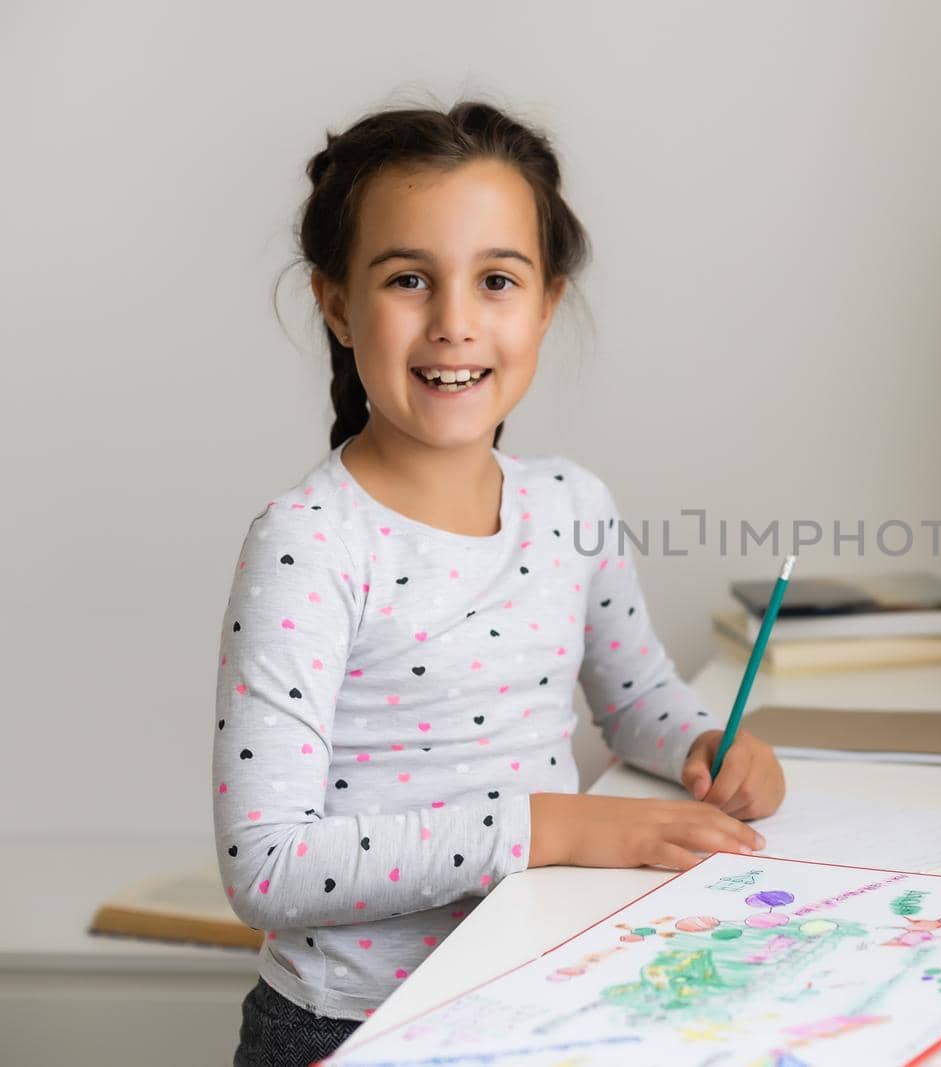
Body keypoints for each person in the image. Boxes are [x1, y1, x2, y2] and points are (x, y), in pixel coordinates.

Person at [216, 97, 785, 1066]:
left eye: (495, 279)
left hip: (539, 995)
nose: (453, 323)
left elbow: (635, 694)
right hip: (350, 1027)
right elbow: (264, 864)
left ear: (546, 302)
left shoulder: (570, 503)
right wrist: (545, 826)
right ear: (337, 301)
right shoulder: (309, 544)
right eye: (408, 278)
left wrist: (703, 741)